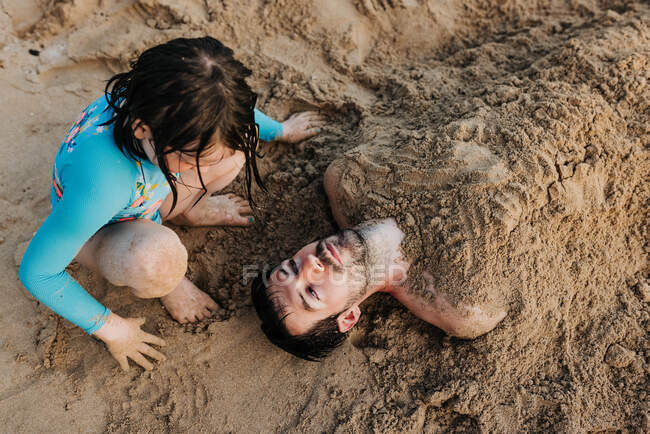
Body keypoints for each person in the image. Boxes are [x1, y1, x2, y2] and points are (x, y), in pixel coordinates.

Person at [19, 37, 324, 370]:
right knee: (155, 259)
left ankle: (188, 212)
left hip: (148, 190)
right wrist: (112, 328)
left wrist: (280, 130)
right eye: (193, 160)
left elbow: (233, 112)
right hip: (105, 224)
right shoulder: (102, 186)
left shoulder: (181, 101)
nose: (204, 170)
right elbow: (39, 271)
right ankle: (170, 281)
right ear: (142, 128)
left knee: (234, 145)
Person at [251, 161, 507, 361]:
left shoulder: (348, 178)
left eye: (293, 266)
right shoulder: (462, 305)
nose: (310, 265)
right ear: (348, 317)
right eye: (312, 293)